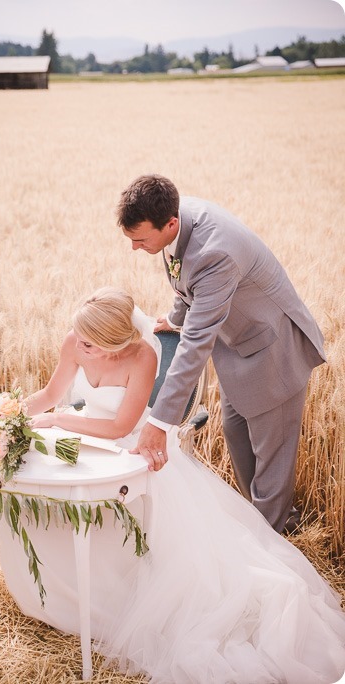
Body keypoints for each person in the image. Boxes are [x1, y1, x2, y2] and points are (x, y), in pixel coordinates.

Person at [0, 287, 345, 684]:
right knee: (33, 486)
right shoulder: (76, 338)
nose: (79, 346)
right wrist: (6, 414)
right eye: (79, 339)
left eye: (90, 343)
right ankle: (56, 595)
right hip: (85, 440)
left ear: (114, 344)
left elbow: (120, 426)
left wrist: (57, 421)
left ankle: (112, 601)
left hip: (129, 449)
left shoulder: (141, 355)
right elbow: (53, 394)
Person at [117, 174, 326, 534]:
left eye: (140, 240)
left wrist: (159, 424)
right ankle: (266, 525)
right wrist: (175, 316)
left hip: (271, 353)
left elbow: (194, 345)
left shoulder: (215, 252)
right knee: (236, 434)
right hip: (238, 350)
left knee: (270, 461)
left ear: (170, 223)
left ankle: (272, 547)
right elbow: (188, 284)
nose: (135, 248)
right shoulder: (178, 219)